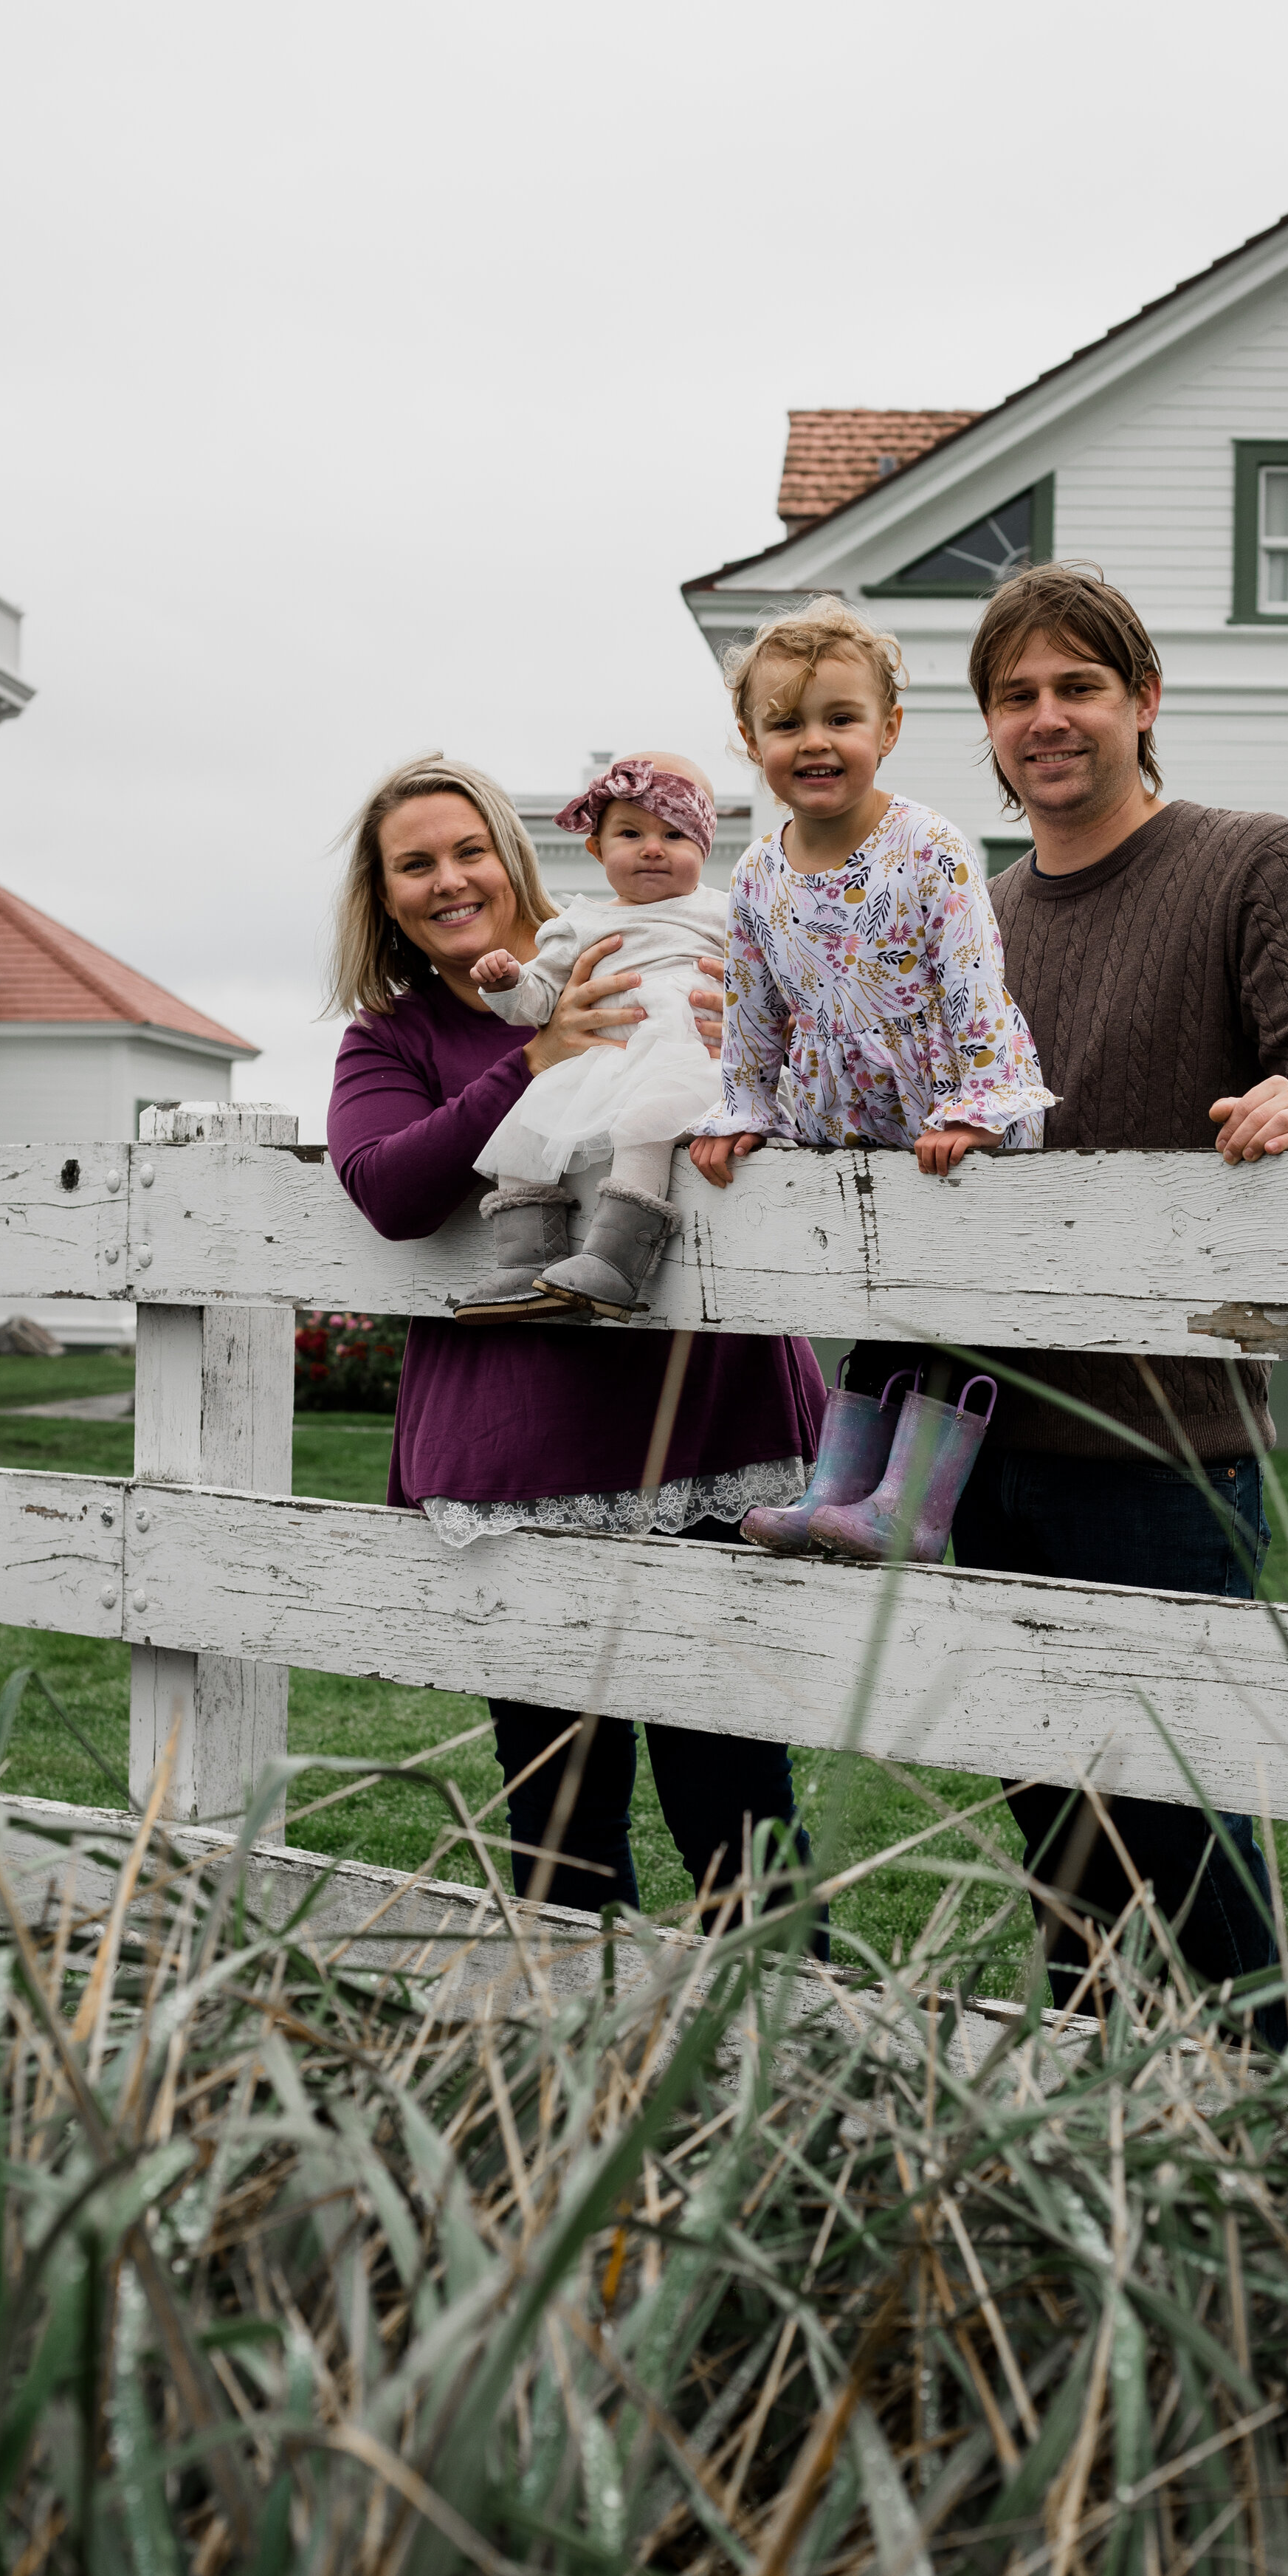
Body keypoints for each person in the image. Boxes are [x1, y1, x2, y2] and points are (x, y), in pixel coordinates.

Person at [902, 560, 1288, 2024]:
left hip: (1160, 1452)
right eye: (1014, 695)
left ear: (1143, 701)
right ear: (986, 728)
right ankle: (1095, 2167)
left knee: (1193, 1860)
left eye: (1076, 686)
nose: (1045, 718)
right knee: (1062, 1865)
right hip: (975, 1451)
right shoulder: (968, 913)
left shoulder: (1250, 860)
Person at [324, 750, 827, 1926]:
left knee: (739, 1801)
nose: (451, 880)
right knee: (562, 1819)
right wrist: (534, 1060)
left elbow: (801, 1102)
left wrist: (762, 1051)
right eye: (416, 863)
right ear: (384, 893)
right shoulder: (389, 1040)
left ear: (516, 856)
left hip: (704, 1421)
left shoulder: (662, 951)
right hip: (525, 1457)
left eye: (470, 850)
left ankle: (772, 2068)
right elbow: (390, 1191)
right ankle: (572, 2079)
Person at [687, 597, 1055, 1565]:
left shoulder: (928, 845)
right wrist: (745, 1108)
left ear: (887, 730)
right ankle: (840, 1487)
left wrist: (975, 1103)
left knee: (941, 1299)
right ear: (749, 737)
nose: (816, 741)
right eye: (787, 722)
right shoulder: (761, 872)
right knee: (875, 1297)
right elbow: (756, 1007)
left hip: (950, 1103)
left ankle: (913, 1509)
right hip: (851, 1120)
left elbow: (975, 976)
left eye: (841, 718)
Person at [461, 753, 728, 1322]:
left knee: (644, 1125)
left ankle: (613, 1263)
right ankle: (525, 1261)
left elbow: (774, 990)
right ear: (596, 848)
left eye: (674, 833)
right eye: (630, 833)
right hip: (605, 1060)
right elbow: (538, 1003)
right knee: (529, 1126)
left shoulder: (726, 915)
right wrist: (510, 982)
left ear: (704, 847)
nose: (652, 847)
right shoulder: (580, 924)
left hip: (686, 1058)